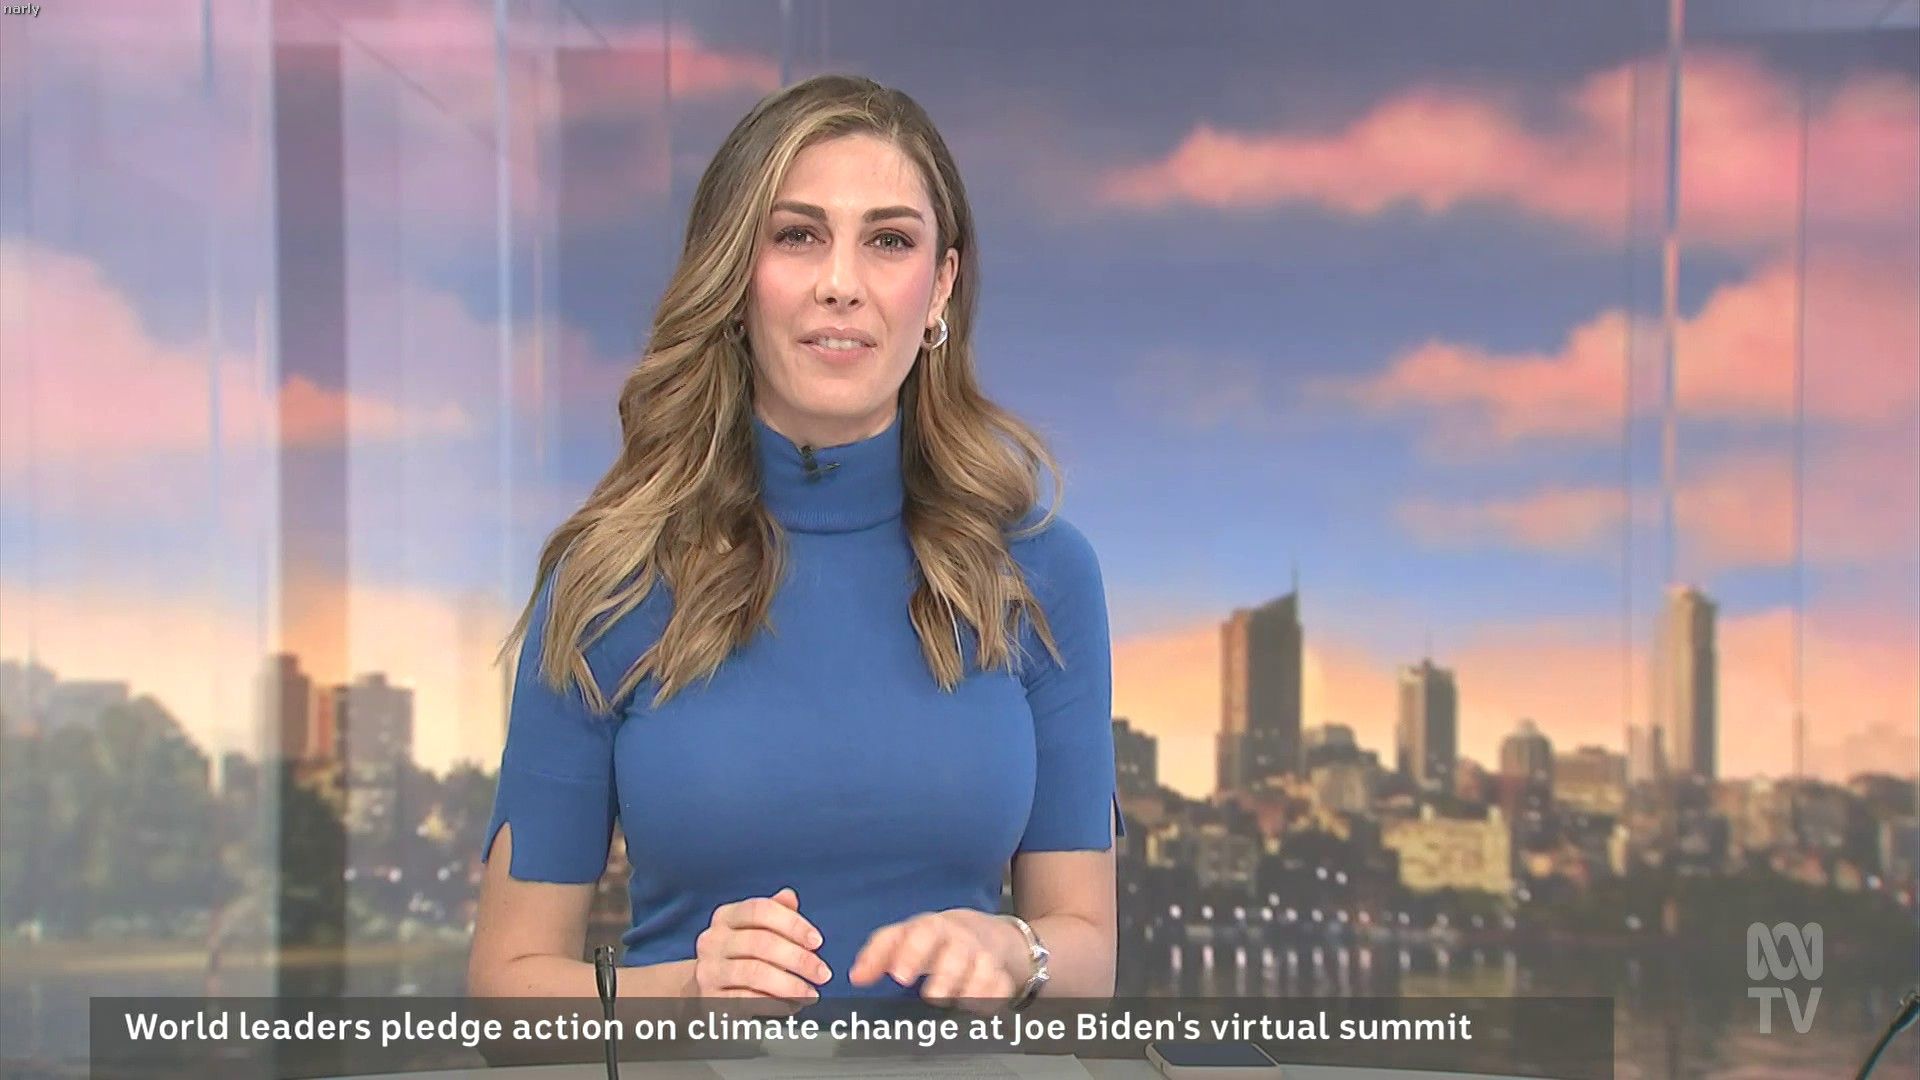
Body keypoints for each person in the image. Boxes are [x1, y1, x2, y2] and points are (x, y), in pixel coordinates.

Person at [467, 73, 1124, 1016]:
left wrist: (1016, 950)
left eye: (889, 241)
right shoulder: (611, 580)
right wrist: (686, 992)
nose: (840, 284)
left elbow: (1088, 952)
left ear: (941, 284)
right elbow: (505, 993)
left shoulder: (1043, 573)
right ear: (737, 275)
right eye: (796, 235)